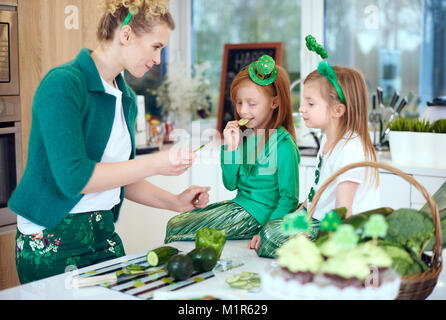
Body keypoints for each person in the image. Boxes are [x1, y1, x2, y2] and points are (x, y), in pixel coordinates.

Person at [9, 0, 209, 284]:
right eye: (156, 46)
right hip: (52, 237)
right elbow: (76, 179)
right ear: (126, 35)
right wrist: (155, 163)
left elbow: (120, 176)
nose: (158, 59)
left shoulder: (125, 97)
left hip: (103, 234)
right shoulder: (64, 84)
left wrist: (175, 202)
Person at [254, 36, 380, 258]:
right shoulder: (328, 138)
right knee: (268, 233)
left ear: (337, 110)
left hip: (341, 232)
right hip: (318, 219)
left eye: (310, 103)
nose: (302, 109)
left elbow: (343, 213)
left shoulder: (350, 149)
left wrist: (333, 255)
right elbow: (317, 194)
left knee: (272, 238)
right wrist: (285, 221)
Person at [164, 55, 301, 249]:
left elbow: (289, 199)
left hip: (257, 218)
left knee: (176, 227)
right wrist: (230, 148)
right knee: (175, 223)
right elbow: (230, 184)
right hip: (239, 206)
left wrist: (268, 232)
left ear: (274, 103)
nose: (243, 111)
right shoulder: (245, 137)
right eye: (239, 103)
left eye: (252, 104)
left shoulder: (284, 145)